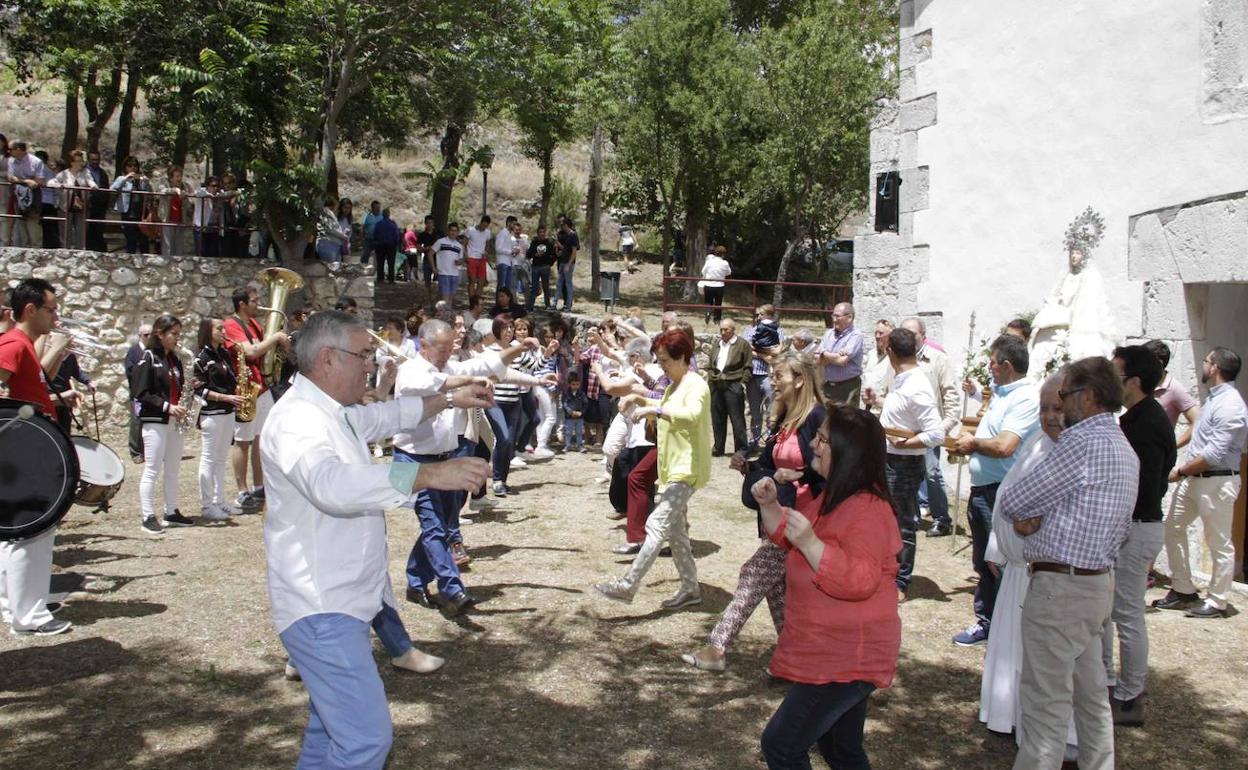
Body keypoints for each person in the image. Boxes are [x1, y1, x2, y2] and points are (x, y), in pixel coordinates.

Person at [261, 309, 490, 770]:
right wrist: (427, 473)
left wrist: (448, 398)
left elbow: (387, 416)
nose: (371, 364)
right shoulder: (297, 422)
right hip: (320, 608)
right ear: (327, 358)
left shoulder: (331, 411)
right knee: (365, 740)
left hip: (337, 604)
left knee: (330, 736)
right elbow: (333, 484)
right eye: (363, 355)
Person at [1000, 357, 1139, 770]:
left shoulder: (1081, 442)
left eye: (1065, 395)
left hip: (1061, 589)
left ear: (1089, 396)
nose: (1060, 405)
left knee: (1046, 706)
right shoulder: (1121, 445)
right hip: (1097, 584)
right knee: (1092, 699)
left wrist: (1035, 521)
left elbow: (1013, 501)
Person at [754, 407, 901, 770]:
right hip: (835, 650)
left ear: (846, 451)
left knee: (782, 746)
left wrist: (812, 544)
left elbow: (860, 579)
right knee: (840, 749)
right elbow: (790, 535)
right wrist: (770, 504)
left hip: (848, 655)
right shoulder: (833, 497)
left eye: (822, 440)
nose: (814, 446)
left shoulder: (868, 509)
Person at [682, 350, 826, 672]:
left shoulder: (818, 418)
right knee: (776, 588)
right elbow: (768, 465)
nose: (772, 382)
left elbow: (828, 469)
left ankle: (717, 647)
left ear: (800, 380)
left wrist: (799, 476)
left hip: (799, 521)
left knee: (753, 574)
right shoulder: (783, 418)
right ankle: (798, 660)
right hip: (775, 517)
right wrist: (749, 468)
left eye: (779, 376)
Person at [393, 318, 544, 612]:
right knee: (434, 526)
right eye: (442, 348)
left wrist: (518, 349)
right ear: (423, 346)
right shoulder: (409, 371)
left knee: (441, 525)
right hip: (408, 460)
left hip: (446, 459)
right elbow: (441, 383)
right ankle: (452, 589)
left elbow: (485, 364)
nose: (448, 353)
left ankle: (414, 580)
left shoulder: (450, 365)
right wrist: (469, 383)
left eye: (451, 347)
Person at [978, 375, 1078, 756]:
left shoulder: (1073, 452)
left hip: (1043, 575)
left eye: (1059, 408)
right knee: (1011, 654)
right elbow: (1009, 497)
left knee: (1039, 666)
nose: (1051, 417)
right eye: (1045, 409)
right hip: (1017, 572)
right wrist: (996, 546)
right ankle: (1008, 715)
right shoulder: (1038, 443)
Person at [594, 328, 711, 608]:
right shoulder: (673, 385)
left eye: (665, 361)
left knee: (657, 524)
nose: (662, 366)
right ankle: (691, 589)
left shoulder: (696, 385)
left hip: (687, 469)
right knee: (677, 531)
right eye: (659, 360)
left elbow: (691, 415)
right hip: (673, 467)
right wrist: (642, 399)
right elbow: (664, 402)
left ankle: (627, 585)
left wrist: (654, 410)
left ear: (683, 357)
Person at [1100, 345, 1176, 725]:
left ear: (1134, 382)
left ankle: (1129, 696)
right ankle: (1115, 682)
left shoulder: (1144, 425)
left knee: (1127, 613)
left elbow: (1143, 487)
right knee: (1116, 611)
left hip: (1138, 525)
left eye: (1115, 375)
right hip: (1135, 524)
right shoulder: (1139, 418)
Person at [950, 334, 1039, 646]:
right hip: (984, 490)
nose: (988, 367)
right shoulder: (1002, 394)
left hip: (1002, 492)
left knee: (998, 562)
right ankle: (988, 621)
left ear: (1007, 366)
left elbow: (1004, 446)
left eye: (992, 361)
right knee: (983, 562)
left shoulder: (1026, 398)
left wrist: (973, 443)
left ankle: (1000, 626)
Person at [0, 278, 73, 636]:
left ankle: (16, 602)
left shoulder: (23, 344)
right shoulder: (13, 344)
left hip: (29, 448)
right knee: (34, 532)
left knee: (19, 534)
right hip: (25, 453)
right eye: (51, 308)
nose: (55, 315)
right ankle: (30, 616)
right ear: (30, 310)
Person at [1155, 346, 1247, 619]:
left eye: (1206, 361)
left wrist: (1180, 470)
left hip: (1216, 481)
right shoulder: (1214, 399)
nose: (1203, 365)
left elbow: (1214, 454)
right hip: (1195, 479)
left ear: (1215, 367)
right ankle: (1183, 589)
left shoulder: (1231, 405)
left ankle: (1218, 601)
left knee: (1219, 542)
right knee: (1173, 527)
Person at [869, 327, 943, 599]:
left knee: (902, 522)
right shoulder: (904, 379)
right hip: (889, 459)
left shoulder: (916, 384)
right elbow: (903, 411)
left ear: (890, 352)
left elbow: (936, 433)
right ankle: (887, 572)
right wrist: (879, 401)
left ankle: (900, 580)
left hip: (904, 464)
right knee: (885, 519)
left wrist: (905, 444)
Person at [225, 285, 291, 513]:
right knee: (243, 442)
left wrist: (279, 342)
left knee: (262, 441)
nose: (258, 303)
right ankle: (242, 490)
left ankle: (259, 486)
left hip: (261, 387)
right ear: (242, 304)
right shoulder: (232, 324)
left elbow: (265, 351)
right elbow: (250, 352)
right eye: (254, 300)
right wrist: (274, 338)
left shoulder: (254, 324)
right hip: (245, 389)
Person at [131, 314, 193, 533]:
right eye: (173, 334)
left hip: (174, 420)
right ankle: (148, 515)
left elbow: (177, 386)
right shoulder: (148, 356)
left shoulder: (174, 359)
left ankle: (172, 510)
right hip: (156, 419)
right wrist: (167, 406)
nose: (177, 338)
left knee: (173, 469)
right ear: (160, 334)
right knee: (152, 468)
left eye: (178, 334)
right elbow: (141, 391)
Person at [902, 317, 960, 537]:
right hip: (905, 429)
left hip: (929, 429)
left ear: (922, 335)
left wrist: (943, 427)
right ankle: (912, 515)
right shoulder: (900, 360)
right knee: (908, 473)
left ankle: (941, 518)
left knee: (932, 472)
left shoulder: (937, 359)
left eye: (912, 334)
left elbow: (951, 396)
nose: (907, 338)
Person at [193, 317, 244, 522]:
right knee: (208, 457)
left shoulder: (223, 353)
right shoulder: (202, 357)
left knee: (221, 458)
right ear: (208, 330)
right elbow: (200, 389)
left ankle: (220, 499)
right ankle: (207, 505)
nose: (224, 331)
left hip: (227, 411)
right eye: (219, 328)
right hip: (212, 413)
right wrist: (225, 397)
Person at [706, 318, 752, 456]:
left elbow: (748, 366)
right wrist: (711, 379)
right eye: (721, 329)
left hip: (733, 384)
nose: (723, 332)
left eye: (726, 329)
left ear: (733, 329)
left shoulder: (742, 344)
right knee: (717, 418)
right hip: (716, 385)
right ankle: (718, 448)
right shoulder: (717, 344)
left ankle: (741, 448)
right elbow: (710, 365)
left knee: (737, 419)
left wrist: (742, 384)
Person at [1143, 339, 1200, 448]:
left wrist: (1173, 447)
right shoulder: (1140, 383)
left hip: (1158, 459)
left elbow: (1198, 421)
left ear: (1159, 363)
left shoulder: (1174, 388)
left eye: (1144, 361)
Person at [744, 305, 783, 447]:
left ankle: (770, 442)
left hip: (769, 377)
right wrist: (766, 355)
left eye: (760, 314)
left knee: (771, 411)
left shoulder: (778, 331)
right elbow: (747, 348)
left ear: (768, 315)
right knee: (755, 412)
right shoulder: (750, 331)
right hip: (753, 376)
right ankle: (754, 441)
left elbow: (778, 352)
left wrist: (758, 351)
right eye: (757, 314)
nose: (758, 317)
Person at [816, 302, 865, 406]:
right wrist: (834, 356)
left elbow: (842, 361)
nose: (834, 320)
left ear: (849, 317)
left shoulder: (855, 336)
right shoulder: (829, 333)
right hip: (828, 385)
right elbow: (817, 359)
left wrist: (824, 353)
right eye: (833, 315)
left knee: (846, 419)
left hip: (847, 387)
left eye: (837, 316)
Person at [48, 150, 98, 249]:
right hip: (66, 206)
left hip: (81, 207)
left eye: (81, 161)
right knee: (65, 231)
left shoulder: (85, 172)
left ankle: (80, 250)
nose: (80, 163)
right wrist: (60, 185)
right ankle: (65, 250)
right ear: (72, 162)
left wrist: (93, 186)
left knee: (81, 231)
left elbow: (90, 181)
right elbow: (50, 183)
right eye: (78, 161)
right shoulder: (64, 174)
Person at [5, 141, 46, 247]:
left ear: (18, 150)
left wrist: (19, 180)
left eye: (10, 149)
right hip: (18, 195)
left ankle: (36, 250)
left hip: (33, 196)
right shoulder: (11, 161)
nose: (8, 152)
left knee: (33, 223)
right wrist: (27, 181)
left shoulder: (36, 162)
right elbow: (11, 178)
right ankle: (23, 249)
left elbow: (39, 181)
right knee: (20, 223)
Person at [110, 156, 152, 254]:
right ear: (125, 167)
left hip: (141, 212)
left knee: (143, 239)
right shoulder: (121, 178)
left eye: (135, 166)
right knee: (130, 238)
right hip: (128, 212)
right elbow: (112, 188)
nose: (133, 168)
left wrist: (146, 183)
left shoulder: (140, 179)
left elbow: (149, 193)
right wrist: (125, 178)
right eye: (130, 166)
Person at [157, 164, 194, 257]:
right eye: (177, 176)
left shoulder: (185, 186)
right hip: (167, 220)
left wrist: (185, 198)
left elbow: (190, 205)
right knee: (168, 248)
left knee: (179, 249)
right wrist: (174, 190)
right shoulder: (164, 183)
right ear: (170, 177)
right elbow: (161, 191)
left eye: (180, 176)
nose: (179, 178)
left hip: (180, 220)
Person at [526, 224, 558, 311]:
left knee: (546, 287)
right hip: (535, 267)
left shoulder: (549, 243)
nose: (542, 234)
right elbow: (528, 254)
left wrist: (550, 263)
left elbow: (554, 255)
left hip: (545, 267)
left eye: (543, 232)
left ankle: (547, 305)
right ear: (538, 233)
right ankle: (530, 306)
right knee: (534, 287)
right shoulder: (534, 242)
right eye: (540, 232)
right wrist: (535, 255)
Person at [84, 150, 110, 252]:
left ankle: (98, 249)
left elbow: (106, 189)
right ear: (89, 160)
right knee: (87, 228)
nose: (95, 162)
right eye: (93, 160)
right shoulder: (84, 172)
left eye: (97, 160)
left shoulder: (103, 173)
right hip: (87, 204)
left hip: (100, 206)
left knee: (98, 228)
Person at [433, 222, 464, 306]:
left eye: (455, 231)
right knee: (445, 299)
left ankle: (446, 315)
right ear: (448, 231)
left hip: (454, 274)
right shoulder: (441, 241)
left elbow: (461, 259)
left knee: (450, 299)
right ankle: (443, 316)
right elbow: (430, 253)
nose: (453, 232)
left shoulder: (459, 246)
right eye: (451, 230)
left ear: (458, 232)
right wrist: (434, 267)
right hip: (443, 273)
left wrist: (459, 262)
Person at [700, 245, 731, 324]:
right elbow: (728, 272)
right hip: (720, 285)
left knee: (708, 301)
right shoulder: (725, 263)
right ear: (723, 254)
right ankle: (717, 319)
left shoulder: (709, 261)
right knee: (718, 303)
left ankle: (708, 312)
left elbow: (703, 271)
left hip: (708, 284)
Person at [464, 215, 492, 298]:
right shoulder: (470, 230)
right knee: (472, 280)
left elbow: (488, 244)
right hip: (471, 257)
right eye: (483, 225)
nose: (484, 228)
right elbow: (464, 244)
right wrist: (466, 256)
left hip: (481, 258)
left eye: (486, 226)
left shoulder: (487, 232)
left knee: (481, 281)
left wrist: (486, 252)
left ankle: (476, 300)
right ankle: (471, 301)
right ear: (481, 222)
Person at [556, 216, 579, 312]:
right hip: (562, 262)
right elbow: (565, 249)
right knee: (559, 284)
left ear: (566, 225)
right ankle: (555, 303)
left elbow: (574, 251)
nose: (561, 227)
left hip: (568, 264)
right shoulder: (565, 235)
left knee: (568, 284)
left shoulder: (573, 235)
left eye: (562, 225)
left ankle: (568, 305)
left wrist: (569, 264)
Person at [316, 199, 348, 265]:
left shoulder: (331, 214)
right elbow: (329, 229)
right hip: (328, 244)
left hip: (335, 244)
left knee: (335, 269)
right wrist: (343, 236)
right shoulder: (326, 213)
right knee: (330, 268)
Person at [374, 208, 401, 284]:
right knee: (391, 263)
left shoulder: (378, 224)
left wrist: (376, 242)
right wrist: (396, 244)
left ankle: (380, 278)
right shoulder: (393, 224)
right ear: (389, 214)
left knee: (380, 262)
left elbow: (375, 234)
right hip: (391, 245)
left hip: (380, 245)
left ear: (382, 214)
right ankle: (391, 279)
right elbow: (396, 235)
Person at [494, 215, 519, 292]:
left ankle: (506, 303)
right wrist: (511, 251)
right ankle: (498, 303)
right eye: (513, 224)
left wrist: (515, 251)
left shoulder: (510, 234)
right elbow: (498, 248)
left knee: (508, 286)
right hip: (502, 262)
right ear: (508, 223)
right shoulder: (502, 233)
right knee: (501, 285)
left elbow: (512, 247)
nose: (515, 226)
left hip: (509, 262)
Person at [563, 371, 587, 451]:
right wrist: (571, 412)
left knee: (579, 432)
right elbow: (565, 404)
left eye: (577, 384)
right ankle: (567, 445)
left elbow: (585, 404)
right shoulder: (566, 393)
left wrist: (581, 412)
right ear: (569, 384)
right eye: (573, 384)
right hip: (569, 417)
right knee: (568, 432)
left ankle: (580, 446)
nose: (575, 386)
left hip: (580, 417)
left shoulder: (582, 394)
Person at [360, 200, 382, 265]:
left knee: (379, 257)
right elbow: (362, 228)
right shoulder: (366, 216)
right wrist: (361, 239)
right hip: (368, 240)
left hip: (378, 240)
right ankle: (363, 268)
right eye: (376, 207)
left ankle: (378, 270)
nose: (378, 209)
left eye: (379, 207)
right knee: (365, 256)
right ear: (372, 208)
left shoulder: (382, 216)